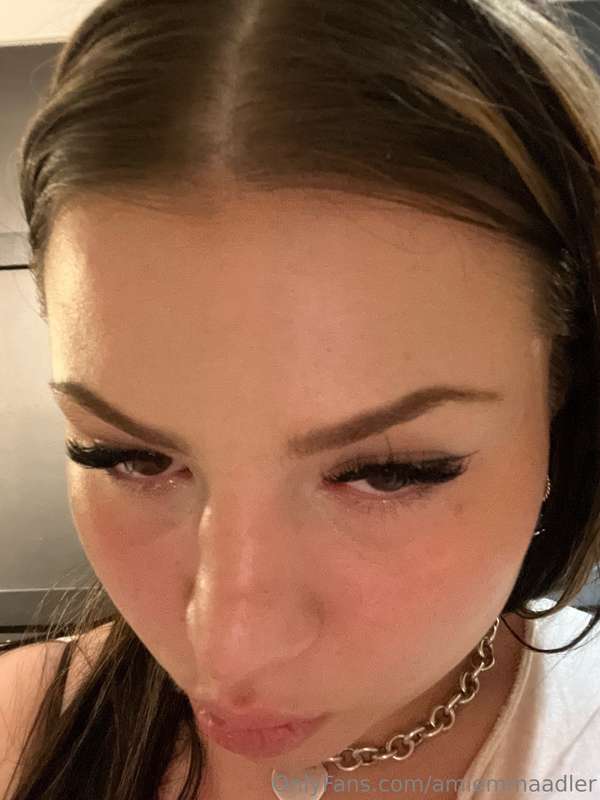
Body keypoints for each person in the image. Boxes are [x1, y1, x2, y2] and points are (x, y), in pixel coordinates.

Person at [2, 0, 600, 798]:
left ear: (561, 407)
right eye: (129, 458)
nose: (229, 647)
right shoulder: (15, 733)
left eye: (389, 472)